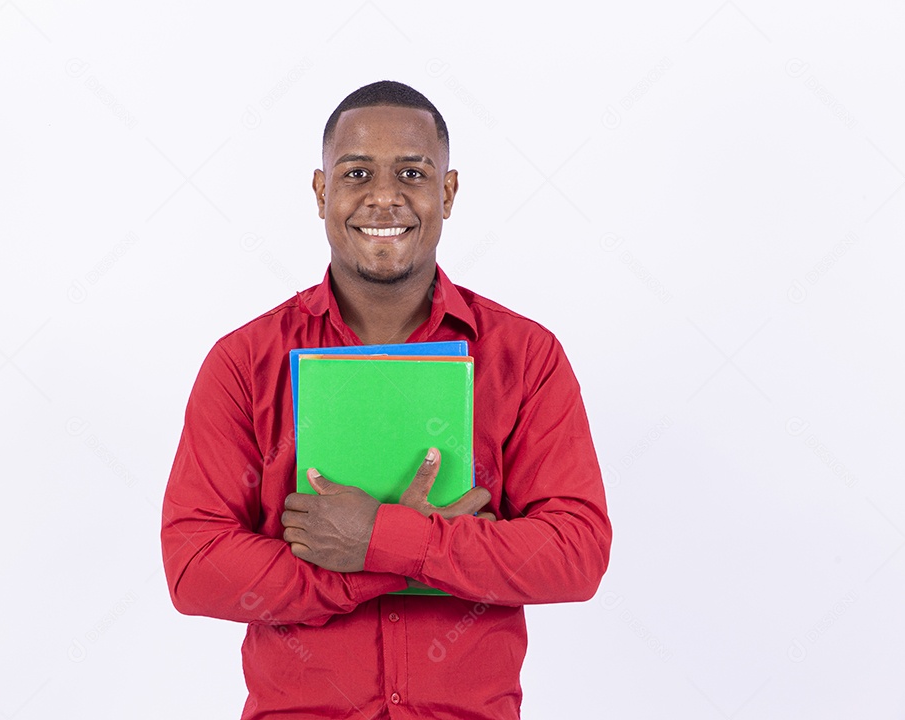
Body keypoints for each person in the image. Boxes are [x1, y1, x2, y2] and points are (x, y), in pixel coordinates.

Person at [161, 80, 612, 720]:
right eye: (356, 172)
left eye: (411, 172)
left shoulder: (526, 357)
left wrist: (375, 536)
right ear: (322, 194)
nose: (383, 196)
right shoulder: (243, 363)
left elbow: (575, 554)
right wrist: (397, 557)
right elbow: (195, 565)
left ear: (447, 193)